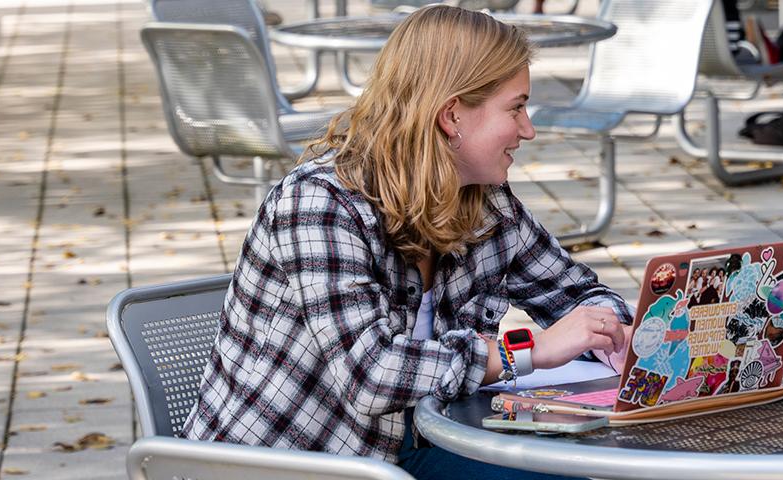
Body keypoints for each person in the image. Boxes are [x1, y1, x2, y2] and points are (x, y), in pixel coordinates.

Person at [180, 6, 633, 479]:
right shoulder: (319, 203)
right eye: (516, 107)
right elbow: (371, 375)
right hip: (290, 463)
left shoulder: (484, 202)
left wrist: (618, 336)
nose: (528, 129)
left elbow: (579, 296)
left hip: (406, 450)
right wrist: (528, 350)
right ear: (452, 115)